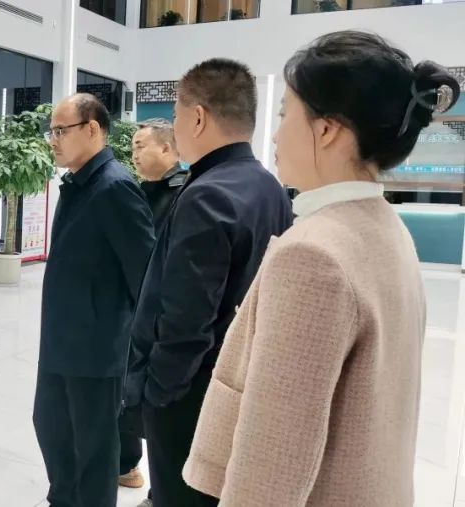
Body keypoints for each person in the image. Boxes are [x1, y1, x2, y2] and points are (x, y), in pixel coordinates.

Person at [184, 31, 461, 506]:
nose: (275, 134)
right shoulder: (386, 227)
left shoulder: (312, 256)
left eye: (285, 114)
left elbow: (273, 457)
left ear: (327, 129)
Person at [127, 59, 293, 507]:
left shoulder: (205, 195)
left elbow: (185, 319)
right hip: (239, 382)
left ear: (197, 118)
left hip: (190, 397)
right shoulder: (269, 187)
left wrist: (158, 396)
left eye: (176, 115)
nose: (175, 126)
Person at [35, 93, 155, 507]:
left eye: (60, 131)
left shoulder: (114, 187)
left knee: (93, 451)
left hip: (95, 351)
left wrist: (137, 352)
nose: (53, 140)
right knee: (52, 429)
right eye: (51, 131)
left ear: (92, 129)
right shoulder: (78, 183)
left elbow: (145, 276)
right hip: (61, 342)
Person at [116, 119, 189, 504]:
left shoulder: (187, 194)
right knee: (126, 386)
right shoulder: (138, 192)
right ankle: (126, 463)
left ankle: (164, 487)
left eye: (141, 145)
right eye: (132, 147)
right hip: (131, 304)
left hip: (164, 310)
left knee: (160, 398)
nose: (134, 154)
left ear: (166, 148)